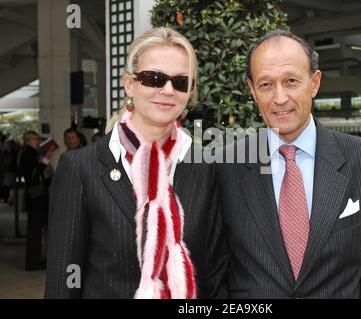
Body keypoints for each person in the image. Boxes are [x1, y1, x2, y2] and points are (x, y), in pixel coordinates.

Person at [214, 30, 361, 298]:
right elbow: (214, 274)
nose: (280, 98)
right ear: (252, 91)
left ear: (314, 83)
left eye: (291, 81)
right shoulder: (226, 166)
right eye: (266, 85)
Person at [45, 27, 226, 299]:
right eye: (154, 78)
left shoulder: (205, 167)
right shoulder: (81, 168)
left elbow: (214, 277)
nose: (167, 90)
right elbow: (63, 281)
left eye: (180, 82)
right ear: (130, 84)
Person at [18, 131, 55, 271]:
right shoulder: (28, 154)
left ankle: (36, 260)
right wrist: (46, 159)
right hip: (35, 196)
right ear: (29, 140)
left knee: (37, 229)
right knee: (34, 231)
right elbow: (34, 174)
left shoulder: (30, 153)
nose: (37, 141)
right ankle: (33, 262)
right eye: (35, 139)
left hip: (37, 196)